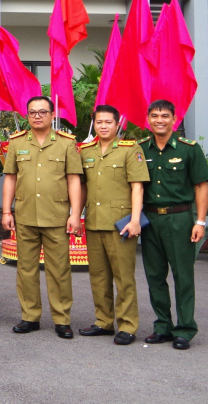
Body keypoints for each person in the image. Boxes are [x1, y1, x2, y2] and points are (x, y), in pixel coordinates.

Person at [1, 95, 83, 339]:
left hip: (57, 216)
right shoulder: (16, 143)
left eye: (42, 112)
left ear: (52, 114)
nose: (37, 116)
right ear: (27, 116)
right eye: (33, 112)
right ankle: (30, 316)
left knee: (59, 270)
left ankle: (61, 319)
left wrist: (75, 214)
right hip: (25, 216)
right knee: (26, 269)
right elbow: (11, 178)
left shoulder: (67, 143)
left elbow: (73, 179)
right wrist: (6, 210)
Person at [138, 100, 208, 350]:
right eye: (155, 115)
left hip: (179, 219)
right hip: (150, 220)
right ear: (148, 118)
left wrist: (200, 221)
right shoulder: (140, 150)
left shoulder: (189, 149)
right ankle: (162, 326)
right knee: (155, 276)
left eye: (165, 116)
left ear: (174, 119)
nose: (160, 120)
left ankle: (185, 329)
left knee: (183, 275)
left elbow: (201, 186)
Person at [76, 104, 148, 345]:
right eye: (99, 122)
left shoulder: (130, 149)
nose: (104, 126)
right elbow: (83, 187)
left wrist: (136, 220)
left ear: (118, 124)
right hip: (95, 222)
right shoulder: (85, 150)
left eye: (108, 122)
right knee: (98, 276)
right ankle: (103, 321)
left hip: (122, 224)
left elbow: (137, 186)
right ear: (93, 124)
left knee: (124, 277)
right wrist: (76, 215)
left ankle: (127, 326)